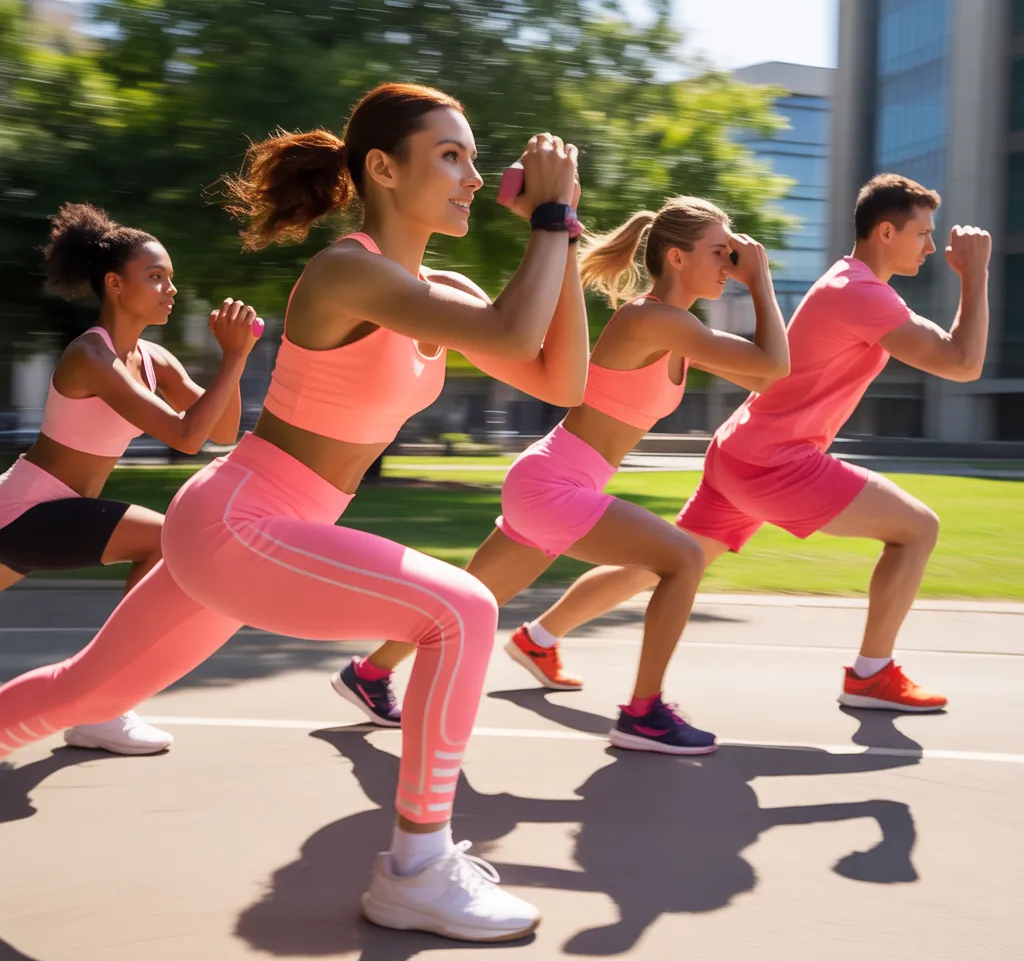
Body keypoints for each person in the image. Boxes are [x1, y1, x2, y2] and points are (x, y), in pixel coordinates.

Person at [0, 82, 588, 942]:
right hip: (241, 521)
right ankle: (419, 870)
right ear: (382, 169)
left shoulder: (446, 285)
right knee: (462, 610)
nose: (470, 176)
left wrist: (564, 232)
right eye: (450, 156)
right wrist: (547, 220)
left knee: (88, 689)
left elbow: (558, 379)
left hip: (256, 527)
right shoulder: (349, 270)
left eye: (472, 155)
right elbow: (509, 332)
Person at [508, 173, 991, 713]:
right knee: (917, 529)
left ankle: (539, 637)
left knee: (664, 561)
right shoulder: (861, 293)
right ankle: (871, 675)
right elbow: (962, 363)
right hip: (777, 462)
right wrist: (974, 277)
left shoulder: (850, 284)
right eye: (924, 233)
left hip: (743, 450)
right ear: (885, 232)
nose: (931, 245)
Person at [336, 195, 790, 755]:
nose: (731, 265)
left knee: (472, 598)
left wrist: (752, 280)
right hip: (555, 486)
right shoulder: (653, 320)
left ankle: (369, 675)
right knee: (684, 558)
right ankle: (643, 715)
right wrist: (761, 282)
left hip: (554, 482)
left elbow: (769, 377)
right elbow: (774, 365)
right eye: (720, 253)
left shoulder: (677, 329)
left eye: (734, 256)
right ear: (676, 257)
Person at [0, 202, 261, 754]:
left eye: (171, 278)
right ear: (115, 284)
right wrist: (235, 357)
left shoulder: (153, 359)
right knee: (168, 539)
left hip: (54, 518)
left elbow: (226, 427)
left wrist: (231, 359)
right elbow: (188, 437)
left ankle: (103, 704)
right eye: (155, 276)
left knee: (166, 542)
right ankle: (105, 702)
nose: (169, 288)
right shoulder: (91, 354)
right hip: (24, 511)